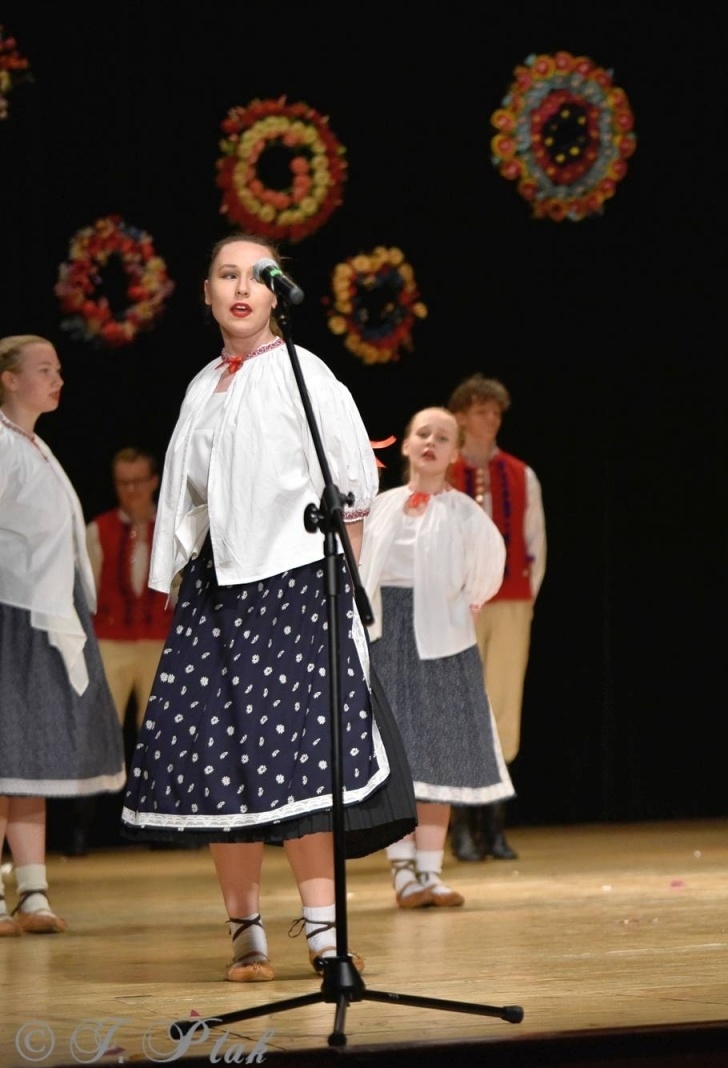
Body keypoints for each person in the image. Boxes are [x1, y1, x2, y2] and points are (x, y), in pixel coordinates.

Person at [120, 234, 416, 981]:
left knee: (304, 763)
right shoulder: (201, 387)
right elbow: (188, 498)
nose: (242, 287)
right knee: (226, 761)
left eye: (257, 276)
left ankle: (322, 931)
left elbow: (352, 489)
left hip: (293, 583)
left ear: (277, 292)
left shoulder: (304, 373)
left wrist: (350, 596)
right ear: (209, 292)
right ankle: (244, 929)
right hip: (219, 591)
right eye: (227, 274)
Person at [361, 406, 514, 910]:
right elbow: (359, 565)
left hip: (443, 641)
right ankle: (403, 872)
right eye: (422, 434)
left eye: (442, 437)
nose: (431, 442)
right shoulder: (380, 507)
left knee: (438, 756)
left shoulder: (465, 512)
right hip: (389, 638)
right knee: (399, 758)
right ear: (405, 445)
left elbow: (489, 565)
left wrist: (464, 602)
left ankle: (430, 872)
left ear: (454, 452)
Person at [0, 334, 125, 936]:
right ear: (9, 379)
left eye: (58, 369)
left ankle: (32, 891)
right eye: (43, 369)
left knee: (29, 757)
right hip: (13, 613)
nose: (57, 379)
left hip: (45, 611)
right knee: (5, 753)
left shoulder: (35, 446)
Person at [446, 374, 545, 862]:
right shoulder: (443, 472)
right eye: (482, 410)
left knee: (503, 707)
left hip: (509, 603)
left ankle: (495, 825)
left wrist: (522, 599)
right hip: (454, 607)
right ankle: (460, 826)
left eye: (496, 412)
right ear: (461, 416)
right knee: (462, 706)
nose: (491, 419)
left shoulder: (521, 474)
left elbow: (536, 544)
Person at [69, 446, 175, 856]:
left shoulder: (171, 528)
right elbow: (86, 590)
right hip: (111, 640)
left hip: (158, 640)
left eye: (137, 482)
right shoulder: (100, 528)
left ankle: (166, 829)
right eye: (122, 483)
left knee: (162, 736)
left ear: (153, 482)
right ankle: (79, 833)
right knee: (98, 734)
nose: (130, 491)